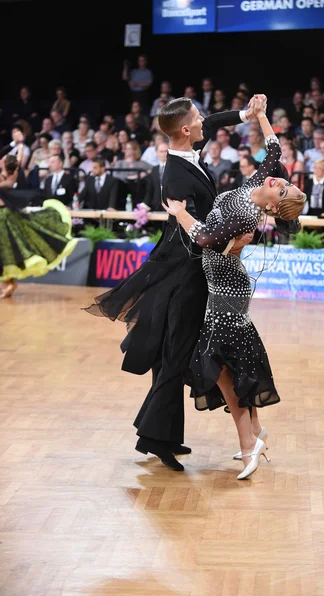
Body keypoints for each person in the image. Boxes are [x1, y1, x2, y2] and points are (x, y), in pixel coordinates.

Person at [84, 94, 267, 471]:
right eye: (197, 119)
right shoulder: (175, 175)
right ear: (185, 129)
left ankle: (159, 435)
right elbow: (195, 234)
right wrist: (239, 235)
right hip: (184, 273)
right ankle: (157, 438)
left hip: (190, 270)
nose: (204, 123)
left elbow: (213, 122)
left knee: (174, 354)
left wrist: (246, 114)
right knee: (176, 354)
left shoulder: (186, 149)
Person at [162, 101, 305, 479]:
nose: (279, 181)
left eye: (283, 189)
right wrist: (259, 115)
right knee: (228, 366)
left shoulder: (247, 214)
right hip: (225, 286)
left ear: (273, 208)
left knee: (222, 368)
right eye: (284, 181)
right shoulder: (255, 188)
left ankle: (249, 443)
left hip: (226, 291)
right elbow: (274, 151)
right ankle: (252, 436)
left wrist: (180, 214)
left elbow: (206, 237)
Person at [0, 151, 77, 298]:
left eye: (3, 159)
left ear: (6, 163)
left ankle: (9, 283)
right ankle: (8, 283)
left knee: (9, 249)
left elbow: (9, 183)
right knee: (5, 251)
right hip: (4, 213)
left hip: (3, 215)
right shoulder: (6, 173)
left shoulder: (8, 175)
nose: (1, 160)